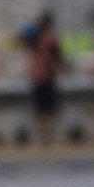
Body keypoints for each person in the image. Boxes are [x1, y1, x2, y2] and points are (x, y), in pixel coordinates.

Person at [23, 10, 66, 145]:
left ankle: (43, 135)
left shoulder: (34, 38)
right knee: (50, 108)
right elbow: (58, 57)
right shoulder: (51, 38)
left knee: (40, 108)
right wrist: (65, 67)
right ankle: (48, 136)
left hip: (37, 76)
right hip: (47, 76)